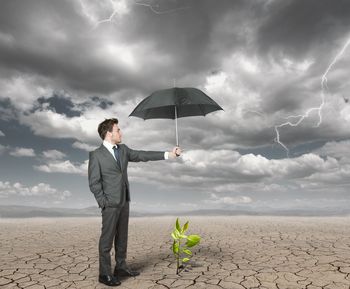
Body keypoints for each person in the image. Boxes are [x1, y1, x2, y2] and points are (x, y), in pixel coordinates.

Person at [88, 118, 181, 287]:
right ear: (109, 133)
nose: (120, 133)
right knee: (107, 240)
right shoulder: (96, 155)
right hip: (110, 204)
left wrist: (169, 154)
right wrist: (103, 202)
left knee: (122, 237)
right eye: (118, 130)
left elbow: (142, 155)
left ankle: (121, 268)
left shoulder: (123, 150)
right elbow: (94, 182)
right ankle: (104, 274)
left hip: (124, 201)